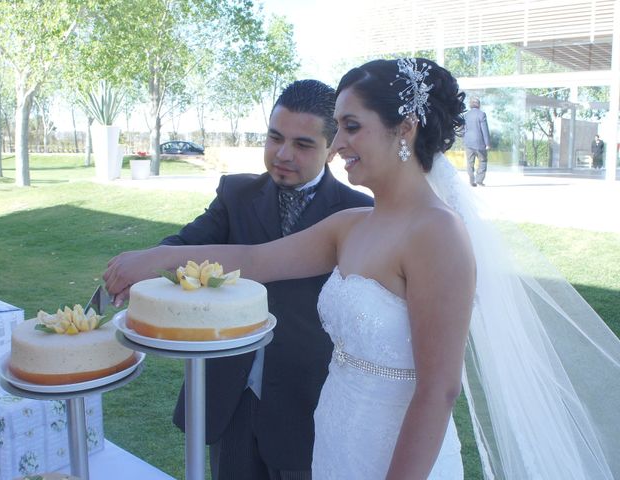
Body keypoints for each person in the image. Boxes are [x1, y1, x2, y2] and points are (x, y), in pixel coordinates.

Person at [105, 59, 620, 479]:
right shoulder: (352, 225)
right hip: (333, 440)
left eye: (351, 127)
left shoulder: (437, 234)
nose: (338, 145)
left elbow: (439, 390)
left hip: (396, 456)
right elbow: (254, 261)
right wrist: (153, 259)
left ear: (405, 129)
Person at [107, 79, 372, 480]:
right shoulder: (236, 194)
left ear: (331, 148)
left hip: (308, 403)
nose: (283, 154)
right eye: (274, 137)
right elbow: (185, 244)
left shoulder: (358, 212)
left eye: (302, 144)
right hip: (229, 395)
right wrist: (148, 262)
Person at [463, 96, 490, 186]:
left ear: (470, 105)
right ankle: (479, 180)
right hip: (480, 143)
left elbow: (464, 129)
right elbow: (484, 130)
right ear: (479, 105)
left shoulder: (466, 115)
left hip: (468, 143)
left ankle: (472, 181)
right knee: (483, 161)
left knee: (470, 162)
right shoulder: (482, 114)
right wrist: (487, 143)